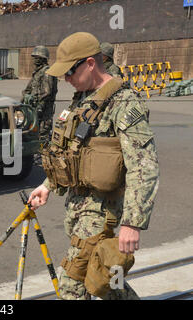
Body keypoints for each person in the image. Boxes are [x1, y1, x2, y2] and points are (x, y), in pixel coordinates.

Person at [28, 32, 159, 300]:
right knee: (104, 280)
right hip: (78, 209)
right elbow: (70, 152)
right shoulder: (82, 98)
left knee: (71, 285)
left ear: (90, 63)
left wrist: (132, 223)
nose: (66, 79)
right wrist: (46, 185)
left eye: (70, 72)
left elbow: (143, 166)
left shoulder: (124, 103)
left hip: (102, 213)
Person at [21, 46, 58, 146]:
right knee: (32, 134)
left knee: (42, 135)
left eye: (37, 57)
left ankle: (44, 158)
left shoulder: (47, 72)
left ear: (43, 59)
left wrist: (37, 104)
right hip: (34, 109)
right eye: (34, 57)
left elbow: (47, 92)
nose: (35, 60)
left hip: (43, 111)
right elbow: (28, 89)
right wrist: (25, 97)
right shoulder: (37, 72)